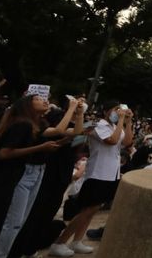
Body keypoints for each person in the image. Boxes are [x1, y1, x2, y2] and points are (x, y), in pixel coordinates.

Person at [0, 93, 80, 258]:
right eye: (39, 99)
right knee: (10, 222)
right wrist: (40, 148)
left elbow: (67, 132)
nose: (45, 100)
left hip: (22, 174)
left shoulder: (36, 123)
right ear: (27, 105)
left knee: (17, 222)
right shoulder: (22, 124)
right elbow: (4, 153)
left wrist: (79, 115)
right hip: (14, 175)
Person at [50, 101, 133, 257]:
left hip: (111, 174)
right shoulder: (98, 125)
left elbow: (127, 142)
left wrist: (128, 122)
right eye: (116, 110)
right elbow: (112, 141)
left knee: (93, 210)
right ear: (107, 111)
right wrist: (122, 120)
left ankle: (77, 241)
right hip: (97, 173)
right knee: (86, 210)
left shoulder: (116, 127)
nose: (119, 113)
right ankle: (60, 242)